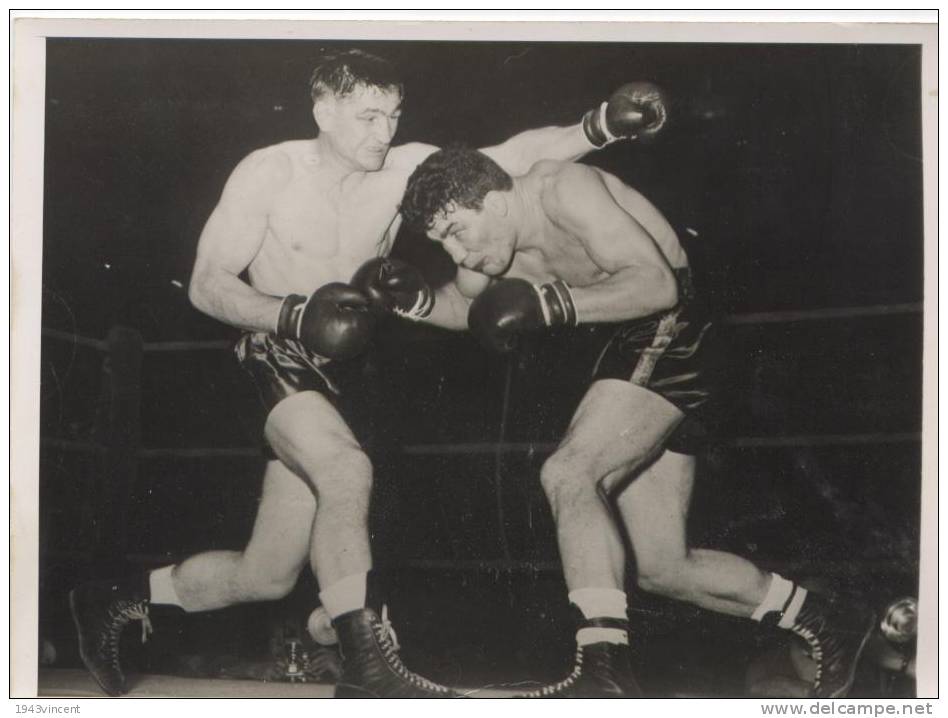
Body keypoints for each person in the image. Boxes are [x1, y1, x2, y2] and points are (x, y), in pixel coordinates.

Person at [68, 49, 666, 698]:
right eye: (367, 116)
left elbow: (508, 157)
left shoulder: (402, 167)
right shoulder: (269, 173)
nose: (383, 132)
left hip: (341, 368)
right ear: (324, 111)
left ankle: (118, 599)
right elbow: (207, 286)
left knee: (267, 571)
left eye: (393, 116)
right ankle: (368, 666)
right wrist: (293, 316)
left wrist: (599, 126)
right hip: (272, 347)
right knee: (346, 471)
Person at [392, 145, 878, 698]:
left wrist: (550, 305)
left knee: (570, 473)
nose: (457, 250)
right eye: (442, 242)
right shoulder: (490, 247)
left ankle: (604, 673)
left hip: (679, 325)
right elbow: (470, 307)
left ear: (497, 202)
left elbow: (657, 286)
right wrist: (415, 303)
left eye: (457, 231)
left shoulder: (564, 190)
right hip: (639, 346)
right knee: (661, 564)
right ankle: (826, 617)